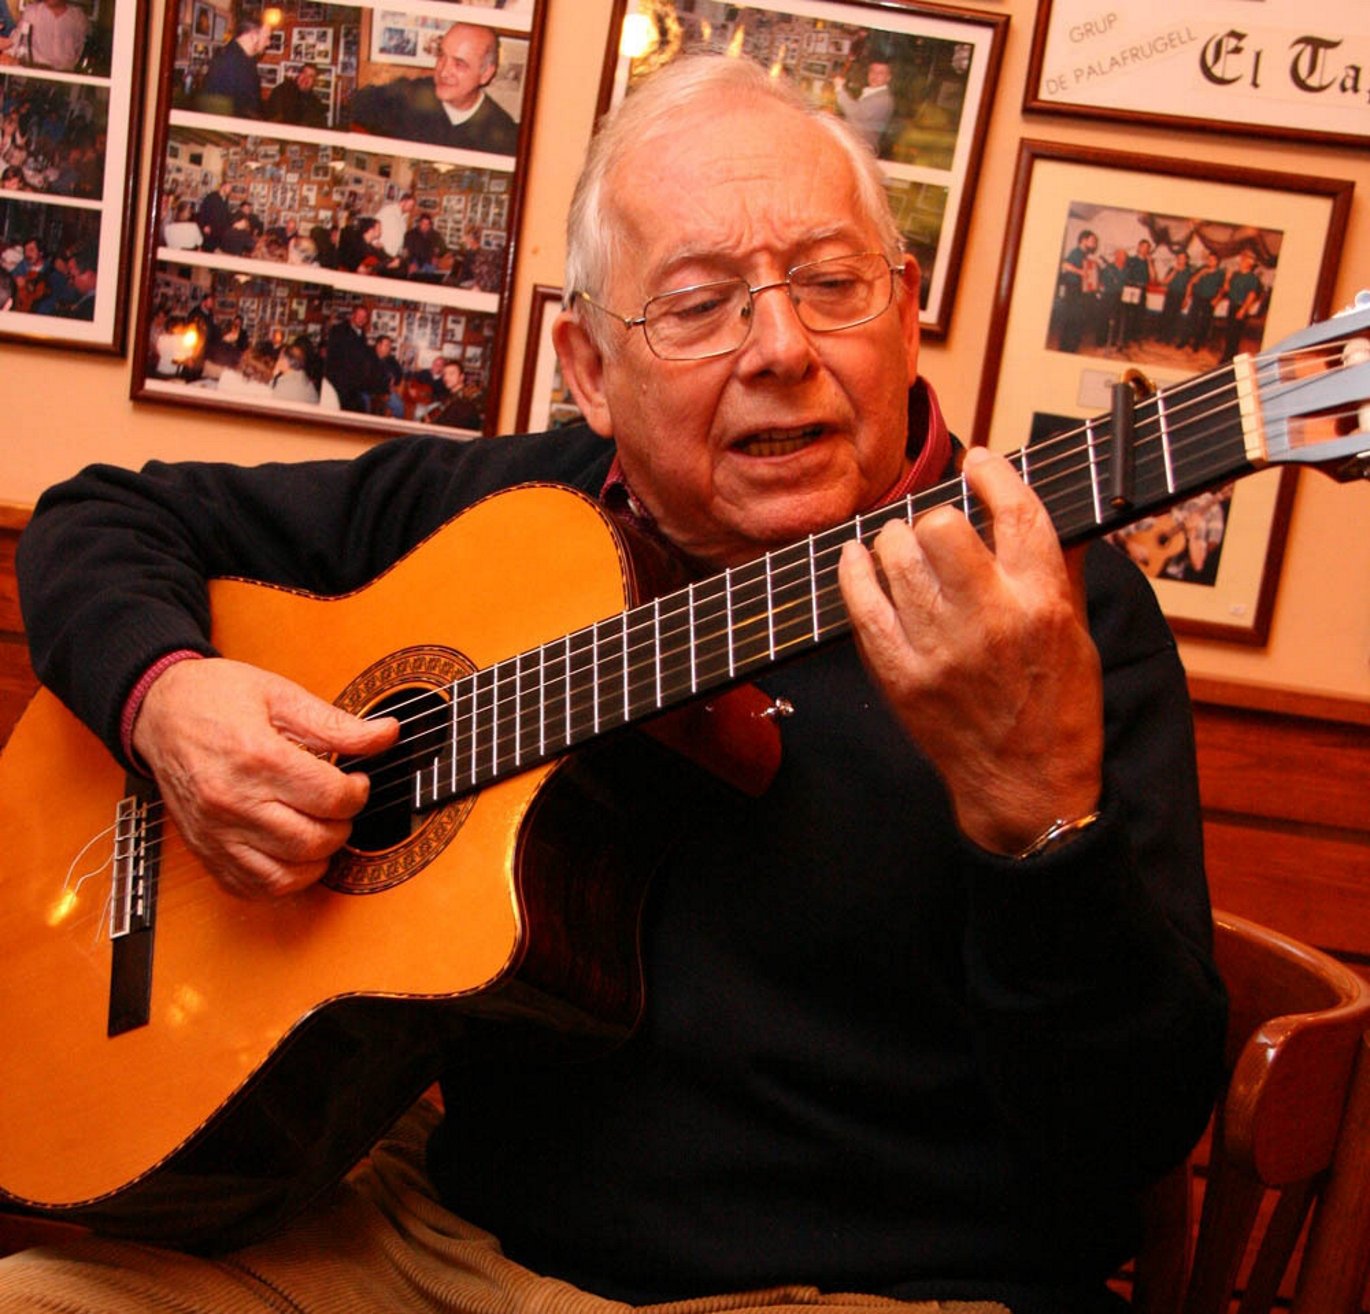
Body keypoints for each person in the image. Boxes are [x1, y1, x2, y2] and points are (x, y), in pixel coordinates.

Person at [6, 54, 1225, 1314]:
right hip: (438, 1245)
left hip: (864, 1287)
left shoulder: (1045, 601)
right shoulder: (505, 512)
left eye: (831, 283)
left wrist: (1034, 820)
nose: (783, 348)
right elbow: (105, 519)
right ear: (588, 367)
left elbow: (1122, 1135)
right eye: (698, 305)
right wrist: (168, 703)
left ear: (902, 306)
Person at [348, 21, 518, 153]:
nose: (443, 71)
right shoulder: (409, 94)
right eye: (441, 56)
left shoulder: (504, 134)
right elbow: (353, 107)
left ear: (486, 74)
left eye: (459, 64)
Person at [195, 15, 269, 120]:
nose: (268, 43)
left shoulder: (243, 59)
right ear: (253, 36)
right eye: (266, 37)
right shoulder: (231, 61)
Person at [0, 0, 88, 71]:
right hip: (38, 74)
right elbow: (15, 42)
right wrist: (8, 56)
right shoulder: (32, 13)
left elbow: (81, 50)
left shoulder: (78, 17)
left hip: (67, 78)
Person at [832, 59, 894, 155]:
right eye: (872, 71)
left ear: (888, 78)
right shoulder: (873, 93)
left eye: (881, 73)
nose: (875, 75)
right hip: (854, 146)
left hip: (861, 150)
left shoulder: (883, 99)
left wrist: (839, 88)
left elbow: (855, 113)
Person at [1054, 227, 1098, 353]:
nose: (1094, 244)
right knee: (1072, 321)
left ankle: (1071, 347)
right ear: (1084, 240)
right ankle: (1066, 349)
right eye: (1092, 241)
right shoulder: (1076, 252)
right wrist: (1080, 272)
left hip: (1080, 292)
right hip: (1073, 291)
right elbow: (1065, 265)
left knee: (1077, 321)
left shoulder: (1084, 255)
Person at [1219, 250, 1264, 362]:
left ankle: (1229, 359)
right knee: (1229, 333)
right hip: (1232, 306)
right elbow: (1227, 289)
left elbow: (1252, 295)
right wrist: (1227, 278)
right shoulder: (1236, 274)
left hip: (1241, 307)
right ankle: (1227, 356)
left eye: (1246, 259)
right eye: (1243, 258)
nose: (1242, 260)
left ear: (1251, 263)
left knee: (1235, 334)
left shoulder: (1252, 278)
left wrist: (1243, 309)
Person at [264, 62, 327, 128]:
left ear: (314, 82)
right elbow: (273, 117)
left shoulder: (315, 104)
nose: (305, 78)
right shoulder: (282, 90)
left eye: (311, 76)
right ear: (298, 75)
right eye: (304, 73)